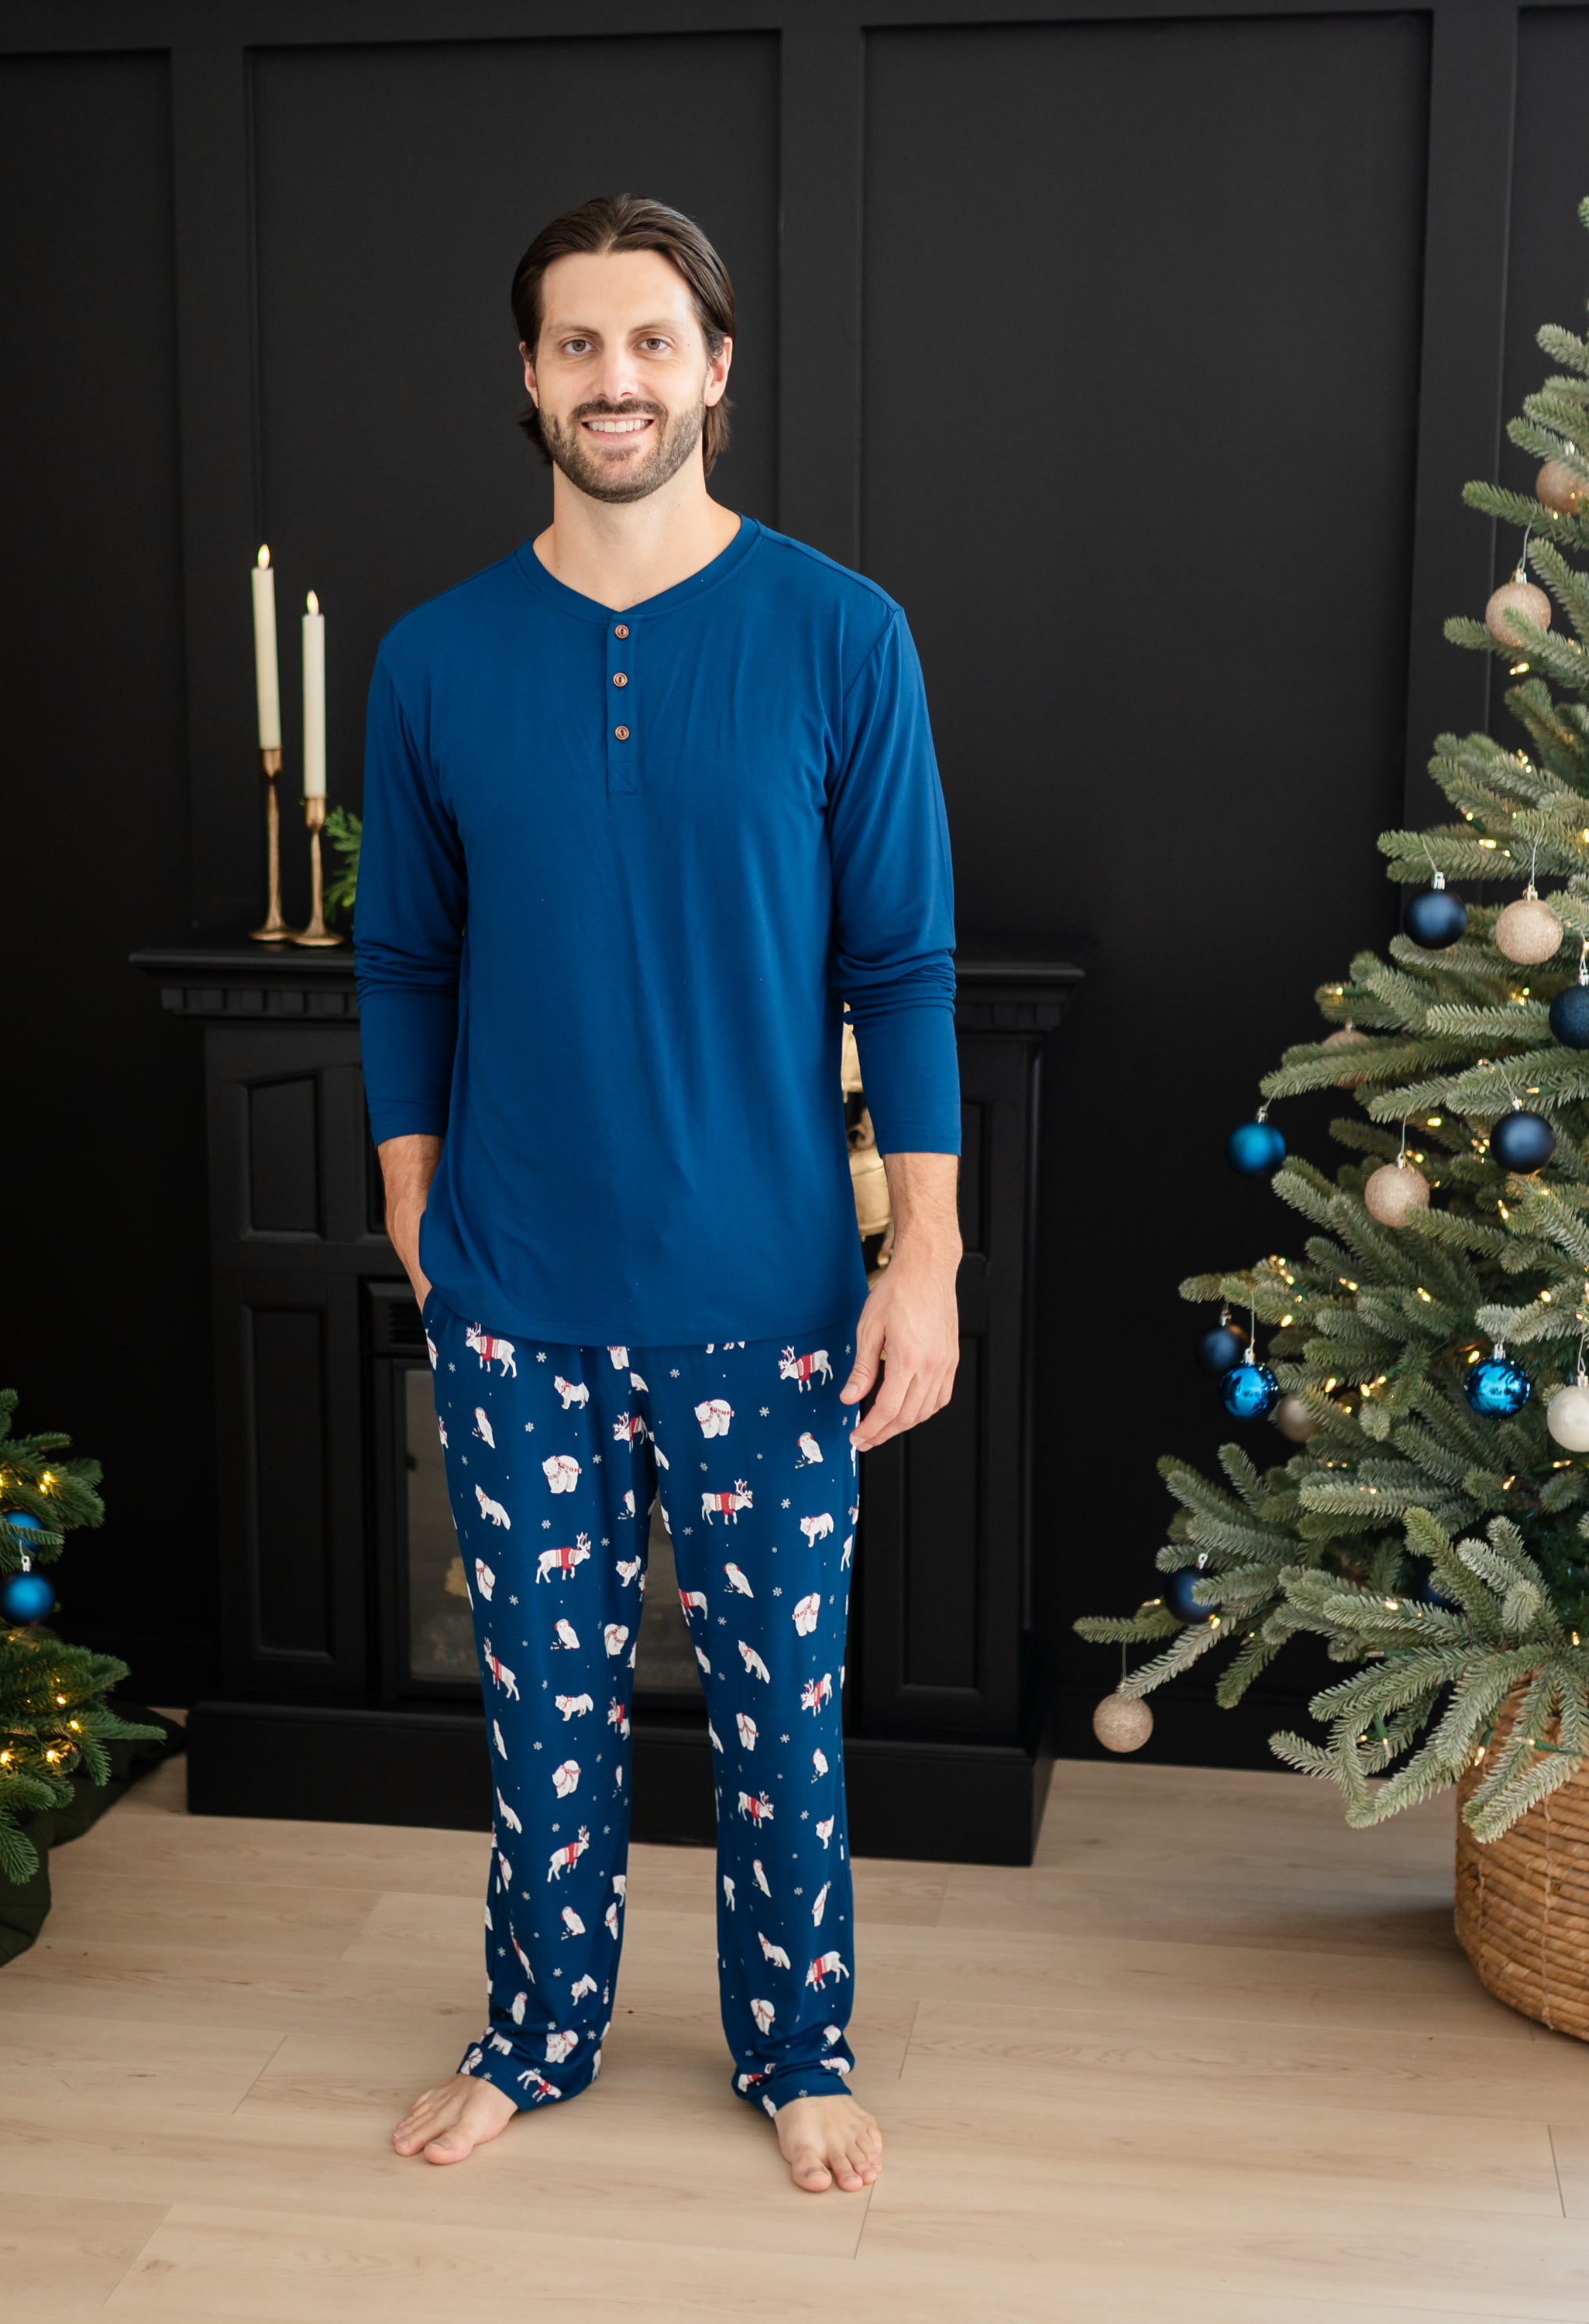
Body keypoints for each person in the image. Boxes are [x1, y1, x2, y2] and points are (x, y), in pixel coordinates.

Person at [355, 191, 959, 2198]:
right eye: (574, 345)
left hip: (772, 1290)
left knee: (783, 1713)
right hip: (518, 1291)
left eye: (650, 341)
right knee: (545, 1717)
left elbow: (905, 969)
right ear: (528, 380)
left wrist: (924, 1258)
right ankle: (536, 2031)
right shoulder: (437, 660)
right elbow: (404, 961)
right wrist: (410, 1196)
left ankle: (798, 2047)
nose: (615, 378)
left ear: (715, 365)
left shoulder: (840, 634)